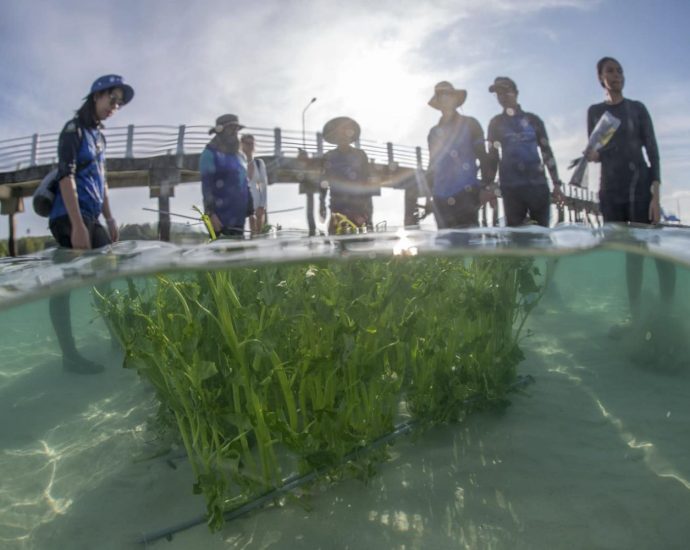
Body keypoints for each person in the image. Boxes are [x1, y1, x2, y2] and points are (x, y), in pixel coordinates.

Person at [49, 74, 134, 374]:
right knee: (63, 285)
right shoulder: (74, 131)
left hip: (92, 216)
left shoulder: (100, 137)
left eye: (119, 104)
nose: (115, 106)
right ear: (96, 96)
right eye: (112, 99)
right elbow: (65, 175)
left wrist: (109, 217)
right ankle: (69, 355)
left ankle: (118, 340)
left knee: (106, 276)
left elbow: (103, 181)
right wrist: (77, 225)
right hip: (68, 218)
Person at [585, 56, 675, 335]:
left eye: (620, 70)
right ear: (601, 77)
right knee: (630, 255)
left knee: (655, 248)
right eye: (610, 71)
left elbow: (653, 150)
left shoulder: (637, 109)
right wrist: (592, 154)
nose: (616, 75)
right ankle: (636, 316)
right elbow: (598, 150)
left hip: (640, 185)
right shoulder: (595, 111)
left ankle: (667, 312)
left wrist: (655, 194)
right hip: (611, 191)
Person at [486, 77, 564, 227]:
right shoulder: (495, 123)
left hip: (538, 186)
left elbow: (547, 152)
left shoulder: (533, 120)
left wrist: (557, 184)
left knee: (541, 235)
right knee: (516, 237)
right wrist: (489, 186)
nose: (502, 96)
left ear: (516, 93)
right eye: (498, 93)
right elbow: (492, 157)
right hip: (511, 188)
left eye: (505, 91)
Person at [427, 81, 492, 229]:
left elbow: (483, 156)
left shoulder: (471, 124)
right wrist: (428, 196)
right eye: (440, 95)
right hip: (440, 198)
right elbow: (432, 165)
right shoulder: (433, 133)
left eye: (448, 94)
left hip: (466, 193)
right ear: (437, 101)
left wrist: (487, 187)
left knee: (468, 244)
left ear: (455, 98)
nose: (444, 98)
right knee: (446, 248)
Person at [318, 116, 374, 234]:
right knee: (337, 241)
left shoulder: (360, 155)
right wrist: (321, 203)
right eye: (339, 133)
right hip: (337, 207)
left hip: (359, 207)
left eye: (346, 132)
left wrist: (369, 212)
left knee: (362, 242)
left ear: (351, 135)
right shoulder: (329, 156)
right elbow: (324, 181)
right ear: (335, 136)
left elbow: (367, 181)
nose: (342, 135)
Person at [200, 114, 252, 238]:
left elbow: (244, 182)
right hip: (220, 219)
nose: (234, 133)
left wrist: (250, 206)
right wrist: (210, 213)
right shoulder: (209, 154)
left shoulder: (240, 156)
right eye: (231, 128)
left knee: (240, 255)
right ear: (220, 131)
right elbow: (207, 186)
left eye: (236, 129)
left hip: (239, 218)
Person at [240, 133, 268, 235]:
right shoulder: (238, 162)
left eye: (251, 143)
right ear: (241, 145)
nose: (249, 146)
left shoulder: (259, 163)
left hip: (257, 205)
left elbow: (264, 186)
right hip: (241, 204)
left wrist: (262, 206)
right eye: (247, 143)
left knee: (258, 235)